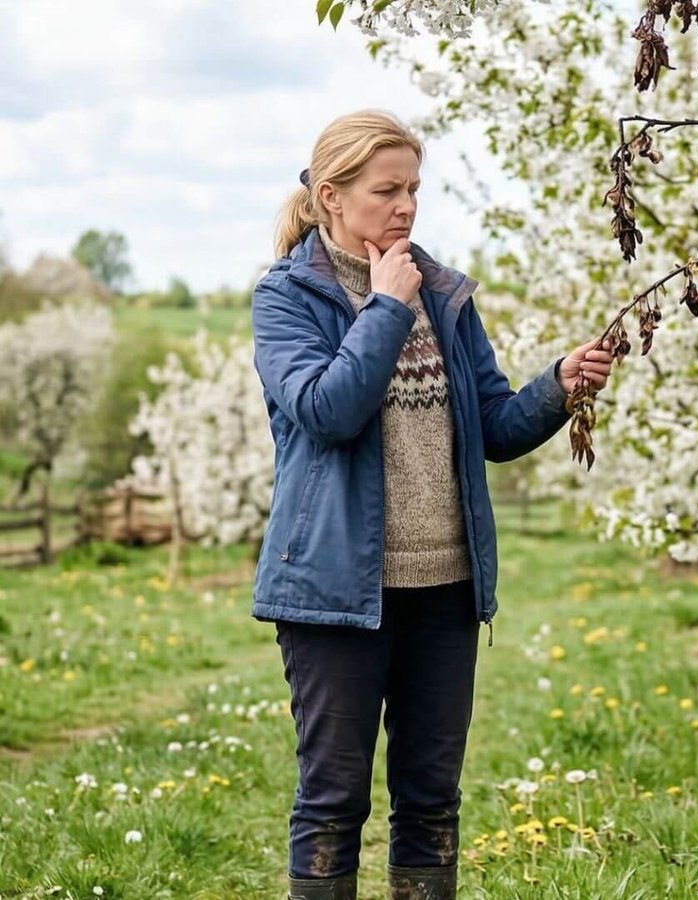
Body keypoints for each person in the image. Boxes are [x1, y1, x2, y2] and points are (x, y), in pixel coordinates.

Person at [250, 109, 613, 900]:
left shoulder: (443, 292)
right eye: (387, 190)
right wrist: (383, 308)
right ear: (330, 196)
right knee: (333, 801)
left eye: (414, 188)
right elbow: (328, 411)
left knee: (431, 801)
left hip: (444, 594)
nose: (406, 207)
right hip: (335, 597)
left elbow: (496, 427)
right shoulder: (286, 300)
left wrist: (556, 385)